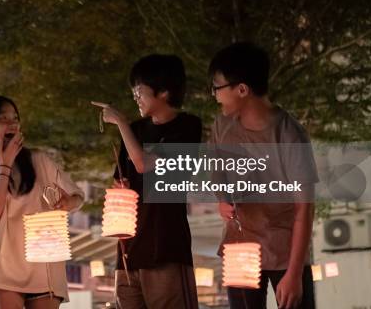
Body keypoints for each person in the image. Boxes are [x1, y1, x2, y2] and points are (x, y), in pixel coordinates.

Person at [208, 42, 318, 309]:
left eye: (217, 88)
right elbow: (216, 169)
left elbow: (305, 209)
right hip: (240, 247)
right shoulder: (222, 126)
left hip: (285, 252)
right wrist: (222, 199)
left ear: (242, 89)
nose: (214, 96)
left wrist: (294, 274)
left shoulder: (289, 135)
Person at [93, 54, 201, 309]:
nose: (135, 99)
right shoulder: (136, 129)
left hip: (166, 246)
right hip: (129, 250)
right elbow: (123, 180)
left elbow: (142, 164)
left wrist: (120, 122)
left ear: (163, 91)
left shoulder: (187, 127)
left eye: (139, 92)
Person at [0, 96, 85, 309]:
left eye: (15, 118)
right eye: (3, 119)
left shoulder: (39, 160)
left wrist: (68, 203)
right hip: (6, 265)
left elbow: (77, 195)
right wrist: (5, 167)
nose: (12, 124)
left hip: (45, 263)